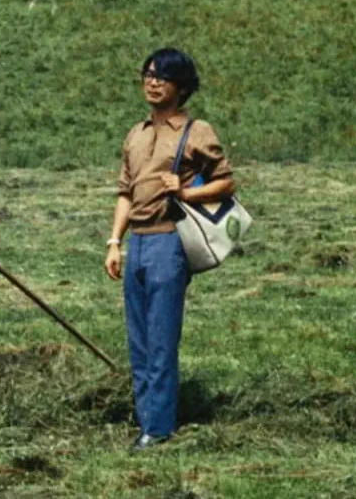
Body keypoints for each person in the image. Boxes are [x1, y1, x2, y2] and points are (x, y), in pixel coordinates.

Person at [103, 49, 235, 451]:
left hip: (169, 242)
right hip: (137, 243)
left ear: (181, 86)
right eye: (148, 74)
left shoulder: (196, 131)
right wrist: (114, 242)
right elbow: (125, 192)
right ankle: (147, 419)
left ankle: (158, 429)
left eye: (163, 76)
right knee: (138, 340)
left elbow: (226, 183)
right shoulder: (135, 133)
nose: (153, 81)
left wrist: (189, 191)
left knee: (161, 338)